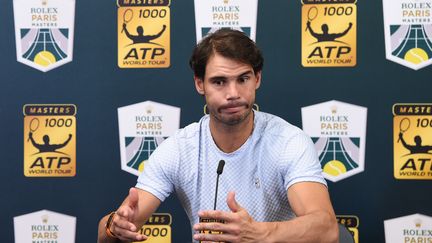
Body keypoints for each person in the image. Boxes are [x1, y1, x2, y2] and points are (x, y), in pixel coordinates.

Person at [98, 29, 338, 243]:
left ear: (257, 79)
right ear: (200, 84)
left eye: (243, 79)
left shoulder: (288, 142)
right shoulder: (180, 149)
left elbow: (327, 229)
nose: (233, 93)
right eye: (219, 82)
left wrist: (260, 234)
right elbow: (107, 232)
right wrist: (115, 227)